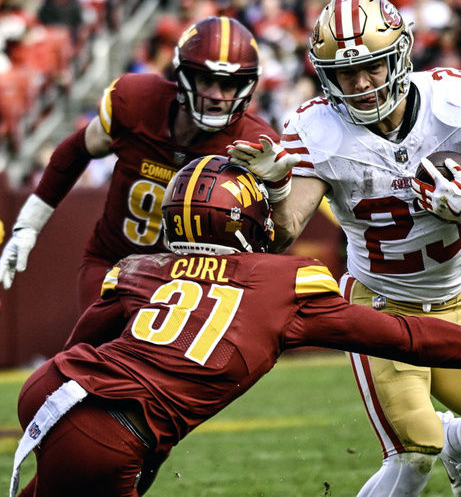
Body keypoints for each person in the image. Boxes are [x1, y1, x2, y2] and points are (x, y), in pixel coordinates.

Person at [9, 155, 461, 497]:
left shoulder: (139, 270)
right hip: (115, 432)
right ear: (245, 219)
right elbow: (406, 336)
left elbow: (82, 343)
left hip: (59, 394)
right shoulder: (282, 284)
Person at [228, 0, 461, 497]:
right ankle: (441, 445)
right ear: (326, 75)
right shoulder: (316, 128)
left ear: (401, 56)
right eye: (345, 73)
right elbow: (284, 232)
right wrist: (275, 189)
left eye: (373, 67)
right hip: (381, 309)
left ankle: (460, 444)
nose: (361, 84)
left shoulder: (452, 102)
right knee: (412, 456)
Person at [0, 16, 278, 322]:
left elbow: (275, 232)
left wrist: (279, 185)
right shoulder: (136, 101)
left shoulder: (255, 144)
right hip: (114, 266)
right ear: (183, 75)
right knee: (94, 359)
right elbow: (77, 149)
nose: (216, 95)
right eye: (205, 79)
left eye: (229, 84)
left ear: (248, 85)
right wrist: (29, 224)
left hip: (192, 283)